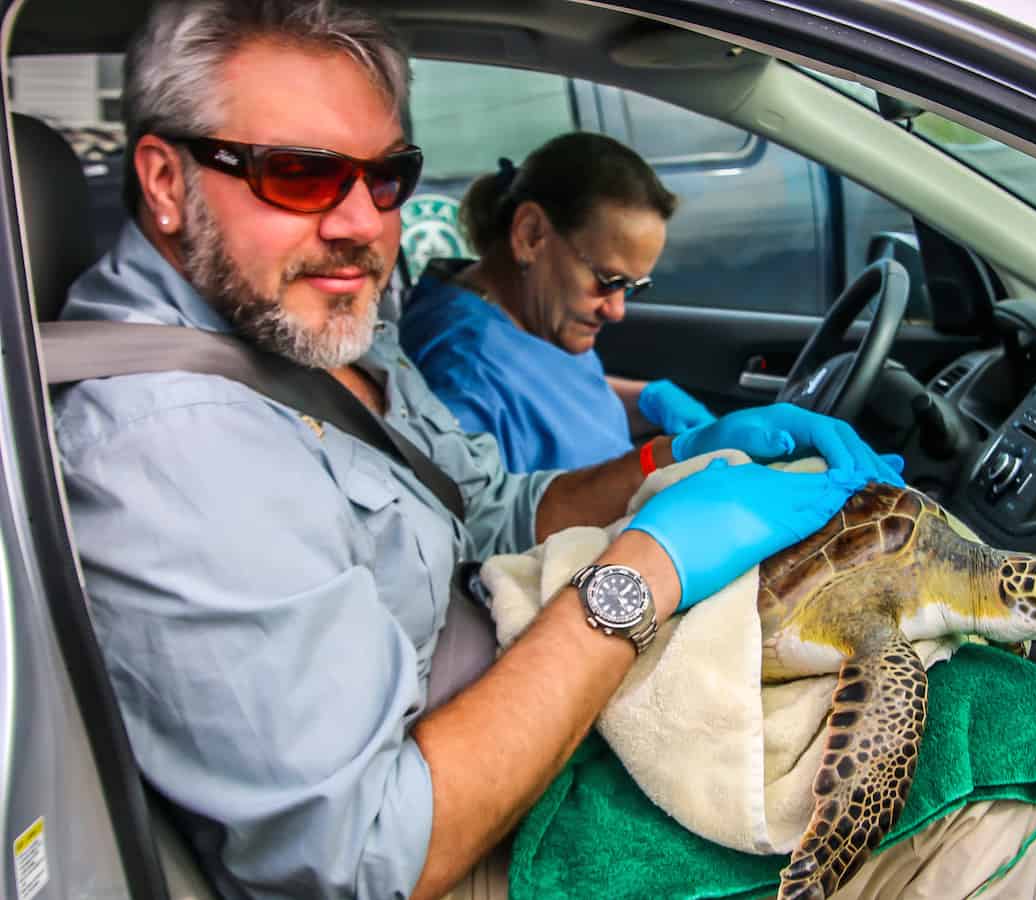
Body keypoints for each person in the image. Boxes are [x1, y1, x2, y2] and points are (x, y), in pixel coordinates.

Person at [51, 2, 904, 898]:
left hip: (511, 683)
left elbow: (487, 505)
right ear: (161, 180)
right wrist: (643, 573)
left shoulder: (316, 321)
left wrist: (668, 458)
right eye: (299, 174)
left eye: (385, 178)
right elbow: (372, 860)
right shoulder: (173, 451)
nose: (361, 225)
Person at [398, 133, 717, 472]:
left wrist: (643, 399)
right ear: (531, 235)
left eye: (631, 287)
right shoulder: (461, 379)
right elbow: (493, 516)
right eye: (608, 281)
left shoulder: (521, 317)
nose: (617, 310)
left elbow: (548, 401)